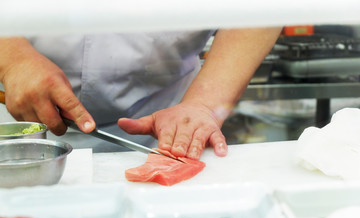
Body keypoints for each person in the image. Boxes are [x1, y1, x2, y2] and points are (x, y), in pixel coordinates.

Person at [0, 27, 282, 159]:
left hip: (168, 122)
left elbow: (259, 14)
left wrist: (204, 104)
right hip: (18, 117)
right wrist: (12, 60)